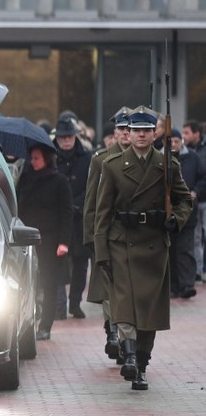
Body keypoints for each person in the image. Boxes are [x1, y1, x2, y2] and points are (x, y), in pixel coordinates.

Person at [94, 107, 194, 391]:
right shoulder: (112, 166)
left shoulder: (168, 166)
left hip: (153, 244)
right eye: (136, 130)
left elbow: (184, 200)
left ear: (154, 134)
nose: (140, 135)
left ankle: (141, 364)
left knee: (149, 312)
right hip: (121, 242)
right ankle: (128, 356)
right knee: (124, 304)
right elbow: (102, 213)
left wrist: (176, 220)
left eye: (146, 131)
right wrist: (101, 251)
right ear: (130, 132)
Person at [85, 107, 132, 363]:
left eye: (129, 129)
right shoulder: (100, 160)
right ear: (114, 133)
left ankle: (125, 339)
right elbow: (91, 203)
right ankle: (113, 331)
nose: (126, 134)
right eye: (122, 130)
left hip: (133, 236)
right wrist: (90, 238)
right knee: (108, 289)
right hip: (107, 234)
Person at [17, 143, 72, 341]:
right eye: (32, 158)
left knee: (49, 284)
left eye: (37, 158)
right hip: (27, 239)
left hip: (50, 241)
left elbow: (66, 213)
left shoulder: (59, 181)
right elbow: (19, 206)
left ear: (47, 158)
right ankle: (28, 321)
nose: (33, 162)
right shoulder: (26, 178)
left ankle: (45, 325)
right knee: (27, 282)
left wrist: (64, 242)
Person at [53, 117, 92, 319]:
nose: (66, 141)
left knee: (80, 262)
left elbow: (91, 186)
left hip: (80, 217)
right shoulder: (50, 156)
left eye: (69, 137)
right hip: (58, 218)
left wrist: (77, 204)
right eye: (62, 137)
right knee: (57, 261)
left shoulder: (86, 157)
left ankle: (75, 303)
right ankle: (59, 304)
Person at [167, 128, 206, 298]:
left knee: (185, 248)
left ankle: (187, 284)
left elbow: (203, 176)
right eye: (171, 141)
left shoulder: (192, 157)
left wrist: (196, 191)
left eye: (177, 140)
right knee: (170, 249)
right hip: (168, 210)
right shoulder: (160, 157)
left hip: (188, 209)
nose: (174, 144)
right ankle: (173, 285)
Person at [182, 120, 206, 281]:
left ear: (196, 134)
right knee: (196, 236)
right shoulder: (186, 153)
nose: (184, 137)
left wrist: (197, 190)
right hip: (194, 201)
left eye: (187, 133)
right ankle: (198, 270)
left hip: (204, 199)